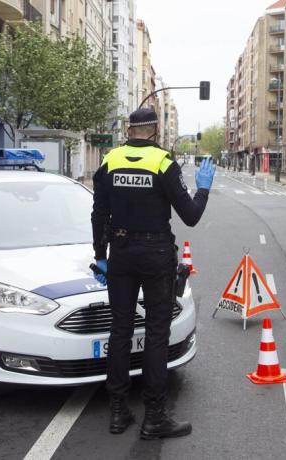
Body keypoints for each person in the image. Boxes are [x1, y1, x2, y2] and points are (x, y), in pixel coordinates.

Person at [91, 108, 215, 440]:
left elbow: (98, 212)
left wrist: (99, 255)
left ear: (129, 130)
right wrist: (202, 190)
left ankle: (118, 412)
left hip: (120, 253)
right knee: (157, 334)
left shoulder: (110, 160)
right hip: (156, 254)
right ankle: (154, 418)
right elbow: (189, 216)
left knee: (120, 331)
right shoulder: (163, 163)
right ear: (155, 130)